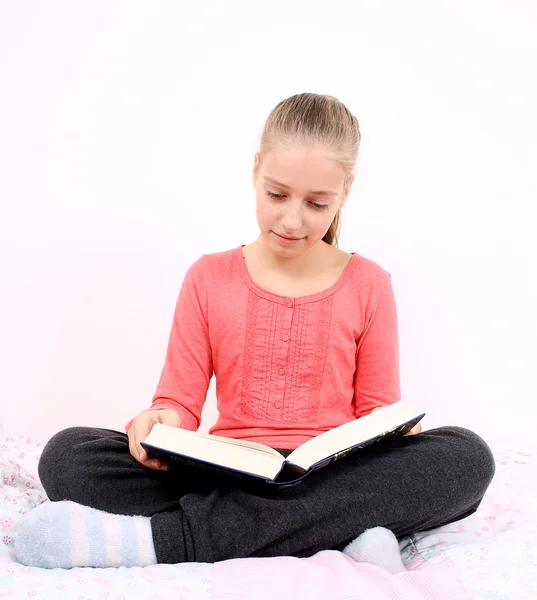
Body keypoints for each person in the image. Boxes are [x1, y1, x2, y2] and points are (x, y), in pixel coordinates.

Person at [14, 92, 495, 570]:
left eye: (316, 203)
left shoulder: (369, 283)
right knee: (67, 456)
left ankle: (163, 541)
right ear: (255, 170)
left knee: (466, 457)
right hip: (228, 472)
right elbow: (179, 402)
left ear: (345, 192)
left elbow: (375, 411)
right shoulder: (207, 276)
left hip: (330, 474)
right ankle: (342, 532)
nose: (291, 219)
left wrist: (398, 433)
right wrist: (158, 421)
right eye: (277, 194)